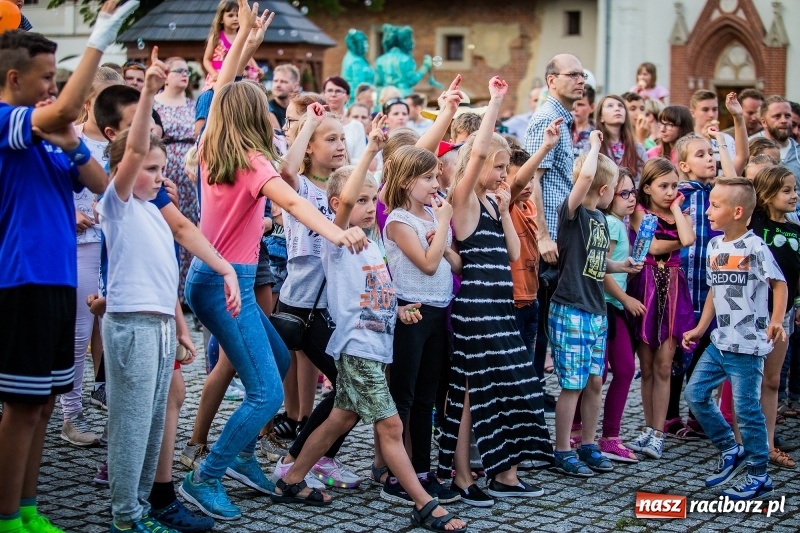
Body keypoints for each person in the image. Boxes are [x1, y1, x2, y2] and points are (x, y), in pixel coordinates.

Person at [178, 4, 368, 521]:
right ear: (252, 117)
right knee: (265, 393)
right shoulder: (251, 159)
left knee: (280, 364)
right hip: (226, 282)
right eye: (264, 106)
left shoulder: (213, 143)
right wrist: (338, 230)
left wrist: (243, 41)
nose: (270, 111)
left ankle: (239, 458)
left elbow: (219, 92)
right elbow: (296, 203)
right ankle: (207, 474)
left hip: (209, 278)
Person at [271, 126, 468, 533]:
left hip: (377, 345)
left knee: (341, 418)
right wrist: (371, 151)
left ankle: (291, 480)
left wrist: (400, 310)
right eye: (359, 201)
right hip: (357, 348)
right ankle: (425, 504)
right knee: (391, 425)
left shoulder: (375, 242)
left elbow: (374, 293)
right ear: (337, 205)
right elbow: (344, 203)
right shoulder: (337, 239)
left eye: (370, 200)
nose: (366, 207)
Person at [0, 2, 138, 532]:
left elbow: (106, 190)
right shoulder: (8, 120)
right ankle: (6, 514)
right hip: (24, 280)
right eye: (45, 79)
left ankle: (29, 510)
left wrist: (76, 144)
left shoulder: (49, 134)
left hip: (56, 281)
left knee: (40, 404)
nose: (53, 89)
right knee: (20, 409)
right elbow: (59, 115)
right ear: (14, 79)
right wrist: (101, 35)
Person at [98, 47, 241, 533]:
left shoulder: (154, 211)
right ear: (124, 169)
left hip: (158, 322)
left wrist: (183, 320)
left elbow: (168, 269)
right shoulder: (115, 204)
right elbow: (135, 149)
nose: (160, 178)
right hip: (131, 325)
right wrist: (150, 96)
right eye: (152, 170)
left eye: (162, 170)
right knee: (132, 425)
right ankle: (126, 516)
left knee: (154, 423)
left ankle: (141, 506)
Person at [441, 76, 553, 506]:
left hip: (499, 307)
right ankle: (462, 476)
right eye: (499, 167)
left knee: (508, 387)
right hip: (475, 309)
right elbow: (480, 151)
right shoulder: (465, 200)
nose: (504, 174)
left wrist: (506, 209)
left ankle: (506, 473)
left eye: (506, 168)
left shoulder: (492, 203)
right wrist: (496, 102)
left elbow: (510, 251)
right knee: (474, 392)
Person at [683, 177, 787, 500]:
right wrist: (701, 328)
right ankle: (731, 448)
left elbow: (778, 284)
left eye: (716, 206)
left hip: (747, 347)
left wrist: (776, 320)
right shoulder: (715, 246)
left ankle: (759, 473)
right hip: (719, 342)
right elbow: (716, 290)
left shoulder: (755, 247)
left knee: (746, 410)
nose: (709, 212)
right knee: (696, 394)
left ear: (738, 211)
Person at [548, 131, 640, 477]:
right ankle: (561, 450)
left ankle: (588, 444)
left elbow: (596, 263)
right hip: (571, 309)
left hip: (596, 311)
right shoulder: (573, 214)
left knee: (593, 382)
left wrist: (621, 265)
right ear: (603, 191)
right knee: (572, 384)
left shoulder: (602, 220)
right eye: (614, 188)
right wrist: (596, 147)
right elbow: (586, 175)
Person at [380, 144, 462, 503]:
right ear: (407, 180)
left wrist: (442, 238)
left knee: (428, 394)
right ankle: (397, 475)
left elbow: (453, 264)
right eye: (427, 177)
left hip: (437, 311)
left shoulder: (432, 215)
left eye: (435, 175)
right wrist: (443, 225)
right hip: (409, 310)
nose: (435, 182)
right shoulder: (400, 220)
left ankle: (422, 469)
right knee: (404, 394)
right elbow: (426, 265)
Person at [61, 67, 124, 448]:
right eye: (107, 98)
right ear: (88, 104)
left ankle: (111, 399)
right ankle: (71, 413)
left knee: (115, 327)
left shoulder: (125, 142)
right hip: (82, 245)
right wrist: (71, 212)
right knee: (79, 331)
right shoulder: (69, 139)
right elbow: (51, 187)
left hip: (118, 247)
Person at [524, 54, 584, 414]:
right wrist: (544, 236)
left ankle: (536, 389)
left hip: (563, 232)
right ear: (551, 80)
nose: (581, 80)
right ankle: (529, 398)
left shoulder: (563, 117)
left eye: (582, 75)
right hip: (545, 237)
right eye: (572, 74)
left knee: (545, 322)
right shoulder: (546, 118)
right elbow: (533, 178)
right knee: (538, 325)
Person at [626, 158, 696, 460]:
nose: (670, 192)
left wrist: (678, 211)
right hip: (647, 285)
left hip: (674, 288)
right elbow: (651, 248)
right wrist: (677, 241)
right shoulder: (640, 213)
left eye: (674, 186)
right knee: (648, 364)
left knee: (664, 364)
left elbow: (689, 239)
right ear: (647, 188)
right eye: (663, 186)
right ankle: (647, 429)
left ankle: (658, 433)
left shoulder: (681, 213)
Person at [664, 132, 720, 441]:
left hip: (709, 289)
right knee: (677, 357)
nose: (710, 158)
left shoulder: (718, 194)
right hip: (683, 288)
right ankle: (670, 415)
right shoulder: (678, 195)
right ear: (684, 165)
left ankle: (697, 414)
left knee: (704, 355)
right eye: (701, 154)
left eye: (711, 153)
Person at [596, 168, 642, 462]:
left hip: (615, 307)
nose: (630, 198)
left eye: (633, 192)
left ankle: (607, 434)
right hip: (608, 306)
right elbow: (602, 268)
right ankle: (604, 436)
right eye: (623, 193)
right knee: (605, 373)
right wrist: (625, 299)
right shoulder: (612, 224)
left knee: (620, 370)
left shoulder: (620, 223)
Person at [153, 57, 197, 303]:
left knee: (190, 226)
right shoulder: (154, 105)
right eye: (178, 70)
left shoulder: (193, 105)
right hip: (165, 169)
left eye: (186, 70)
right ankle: (173, 291)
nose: (184, 74)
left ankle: (189, 291)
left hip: (189, 177)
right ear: (166, 75)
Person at [202, 0, 261, 90]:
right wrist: (214, 73)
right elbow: (206, 59)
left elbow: (248, 55)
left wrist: (256, 68)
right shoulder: (216, 38)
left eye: (238, 15)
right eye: (230, 15)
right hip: (219, 75)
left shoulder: (242, 37)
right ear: (221, 19)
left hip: (238, 74)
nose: (235, 18)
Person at [690, 90, 747, 176]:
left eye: (715, 109)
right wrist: (705, 140)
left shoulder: (727, 138)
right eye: (705, 110)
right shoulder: (687, 139)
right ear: (693, 113)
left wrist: (738, 116)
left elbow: (736, 168)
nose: (711, 114)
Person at [594, 94, 647, 180]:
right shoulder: (593, 145)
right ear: (601, 117)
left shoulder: (637, 148)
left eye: (621, 106)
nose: (617, 109)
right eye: (610, 106)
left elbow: (644, 179)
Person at [751, 96, 800, 182]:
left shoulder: (797, 152)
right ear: (764, 122)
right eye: (777, 116)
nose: (784, 120)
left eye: (787, 116)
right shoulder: (750, 148)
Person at [323, 75, 366, 164]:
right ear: (324, 94)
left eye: (338, 91)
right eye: (330, 90)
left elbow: (360, 159)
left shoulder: (356, 126)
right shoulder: (317, 122)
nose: (333, 94)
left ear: (347, 97)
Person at [269, 64, 300, 128]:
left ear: (296, 86)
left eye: (283, 82)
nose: (278, 85)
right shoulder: (267, 108)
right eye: (275, 81)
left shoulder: (300, 109)